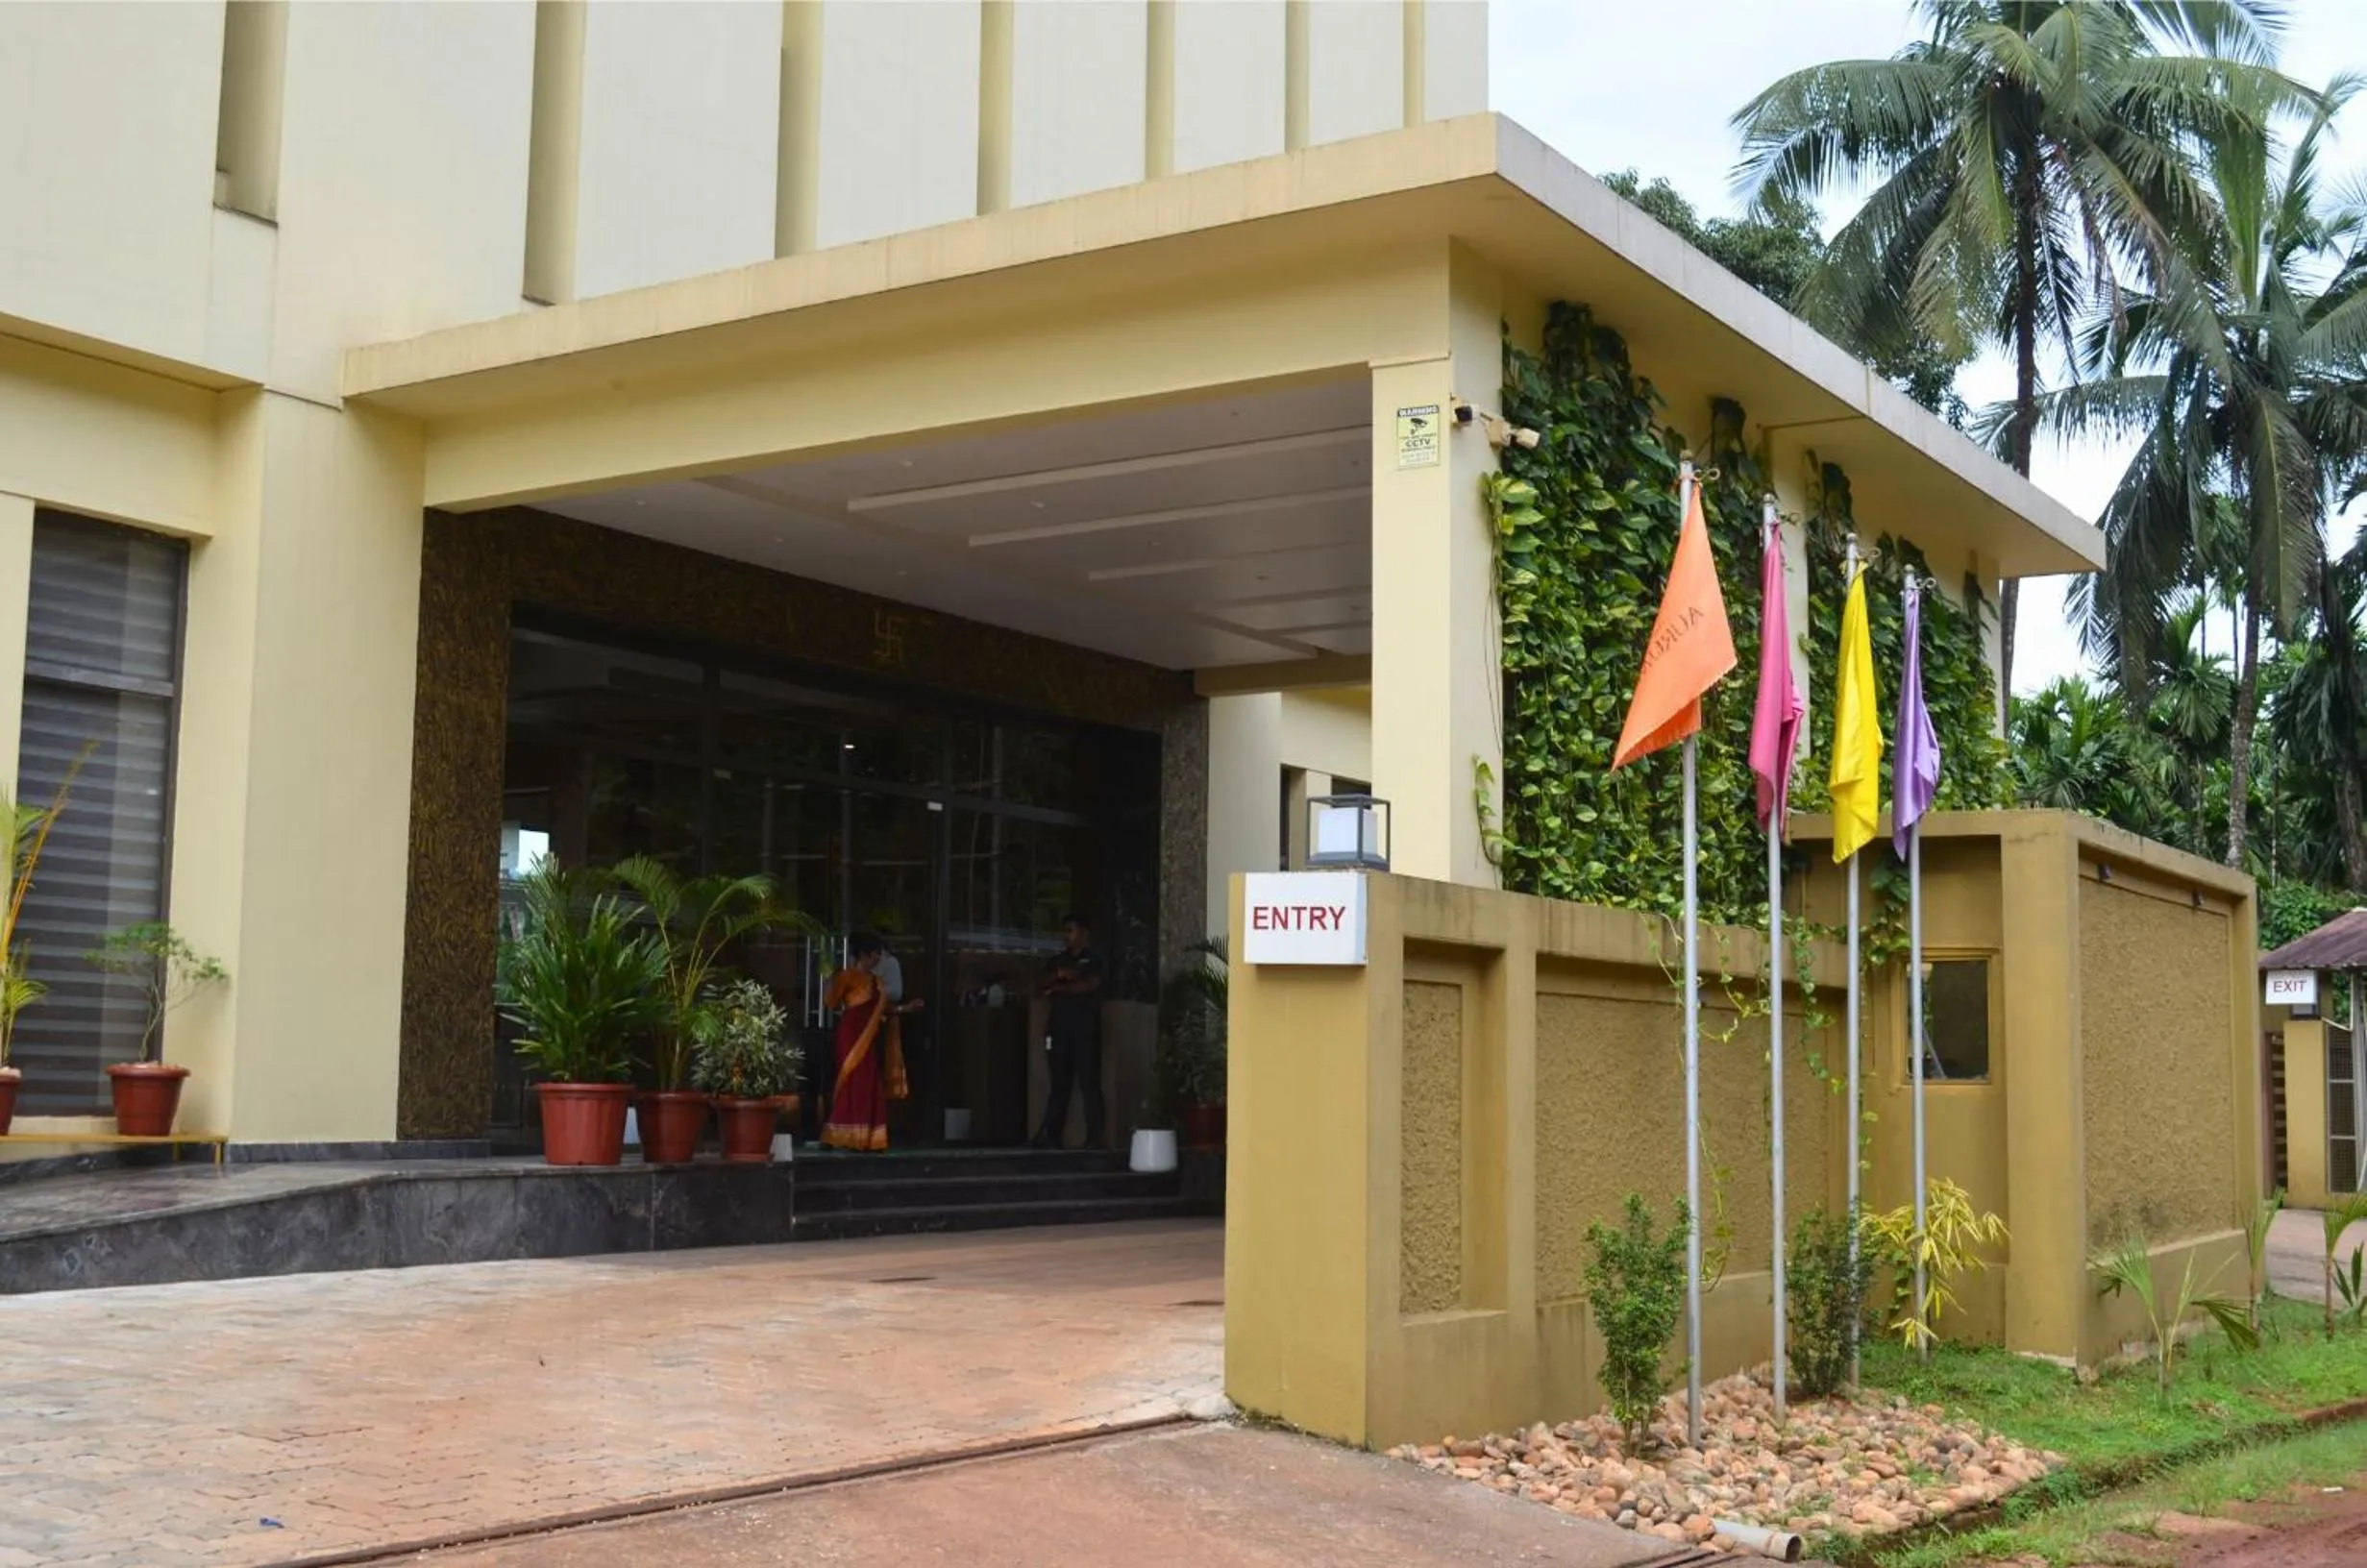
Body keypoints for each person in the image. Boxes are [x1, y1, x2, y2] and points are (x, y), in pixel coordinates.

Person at [822, 934, 922, 1152]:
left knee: (868, 1083)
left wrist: (907, 1008)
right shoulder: (847, 977)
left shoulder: (878, 983)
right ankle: (840, 1135)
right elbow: (830, 1002)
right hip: (850, 1036)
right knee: (852, 1082)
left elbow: (885, 1010)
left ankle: (867, 1138)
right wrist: (830, 979)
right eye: (876, 954)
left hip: (869, 1037)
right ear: (864, 955)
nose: (879, 958)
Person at [1032, 914, 1105, 1150]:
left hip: (1084, 1031)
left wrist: (1062, 986)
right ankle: (1051, 1135)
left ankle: (1095, 1138)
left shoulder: (1094, 960)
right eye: (1064, 931)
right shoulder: (1057, 961)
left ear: (1083, 933)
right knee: (1058, 1084)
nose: (1066, 936)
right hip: (1057, 1030)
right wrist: (1057, 978)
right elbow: (1041, 985)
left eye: (1071, 930)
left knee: (1089, 1083)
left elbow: (1090, 985)